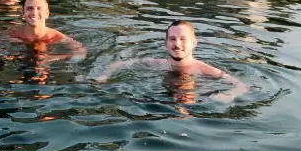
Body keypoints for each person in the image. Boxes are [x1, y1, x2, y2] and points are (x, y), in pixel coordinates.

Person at [96, 20, 247, 103]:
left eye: (183, 39)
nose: (177, 44)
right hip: (159, 99)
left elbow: (241, 86)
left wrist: (229, 95)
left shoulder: (205, 69)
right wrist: (104, 76)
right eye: (172, 39)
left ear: (194, 43)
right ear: (166, 43)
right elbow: (118, 64)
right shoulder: (157, 63)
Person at [9, 0, 86, 61]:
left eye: (39, 8)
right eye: (29, 8)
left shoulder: (56, 36)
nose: (34, 13)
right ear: (23, 13)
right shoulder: (13, 35)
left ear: (47, 13)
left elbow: (81, 54)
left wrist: (51, 58)